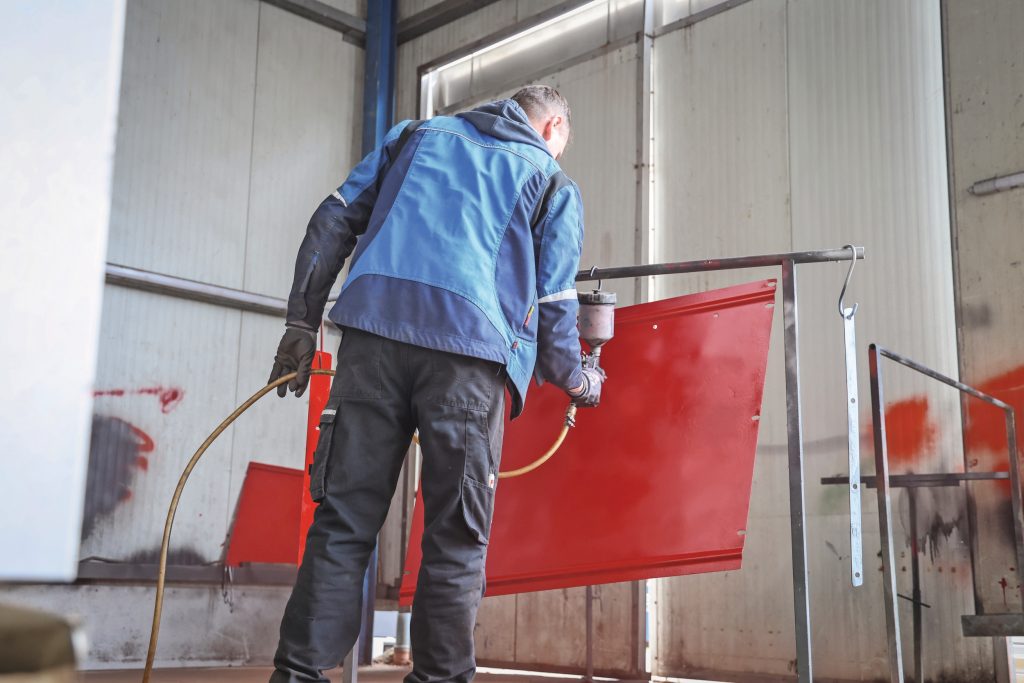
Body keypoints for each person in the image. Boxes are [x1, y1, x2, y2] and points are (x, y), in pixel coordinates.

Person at [267, 85, 605, 683]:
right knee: (455, 538)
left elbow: (332, 219)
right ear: (552, 128)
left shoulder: (413, 136)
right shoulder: (552, 184)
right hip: (468, 367)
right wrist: (582, 381)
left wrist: (301, 323)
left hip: (370, 344)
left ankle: (296, 677)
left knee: (343, 522)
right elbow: (556, 314)